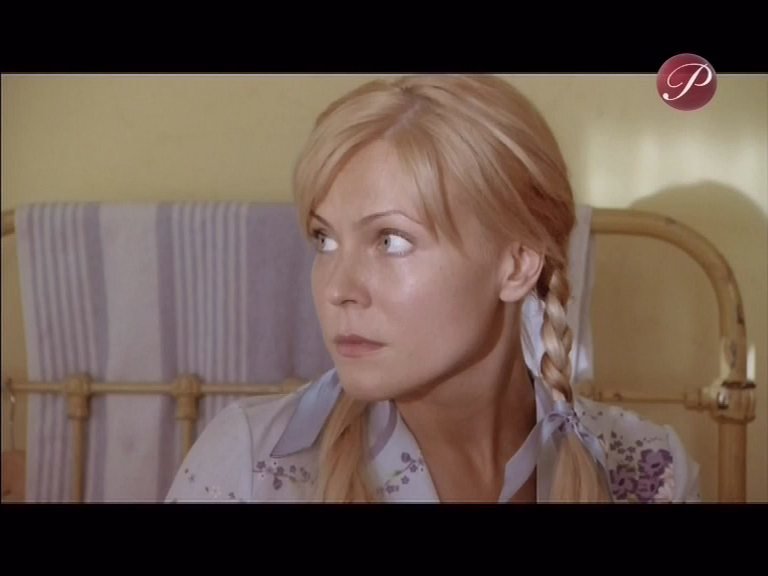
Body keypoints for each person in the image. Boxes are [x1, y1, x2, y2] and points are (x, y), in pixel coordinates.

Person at [165, 75, 700, 503]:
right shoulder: (251, 465)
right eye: (325, 240)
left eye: (391, 241)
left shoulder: (648, 471)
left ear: (517, 264)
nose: (338, 289)